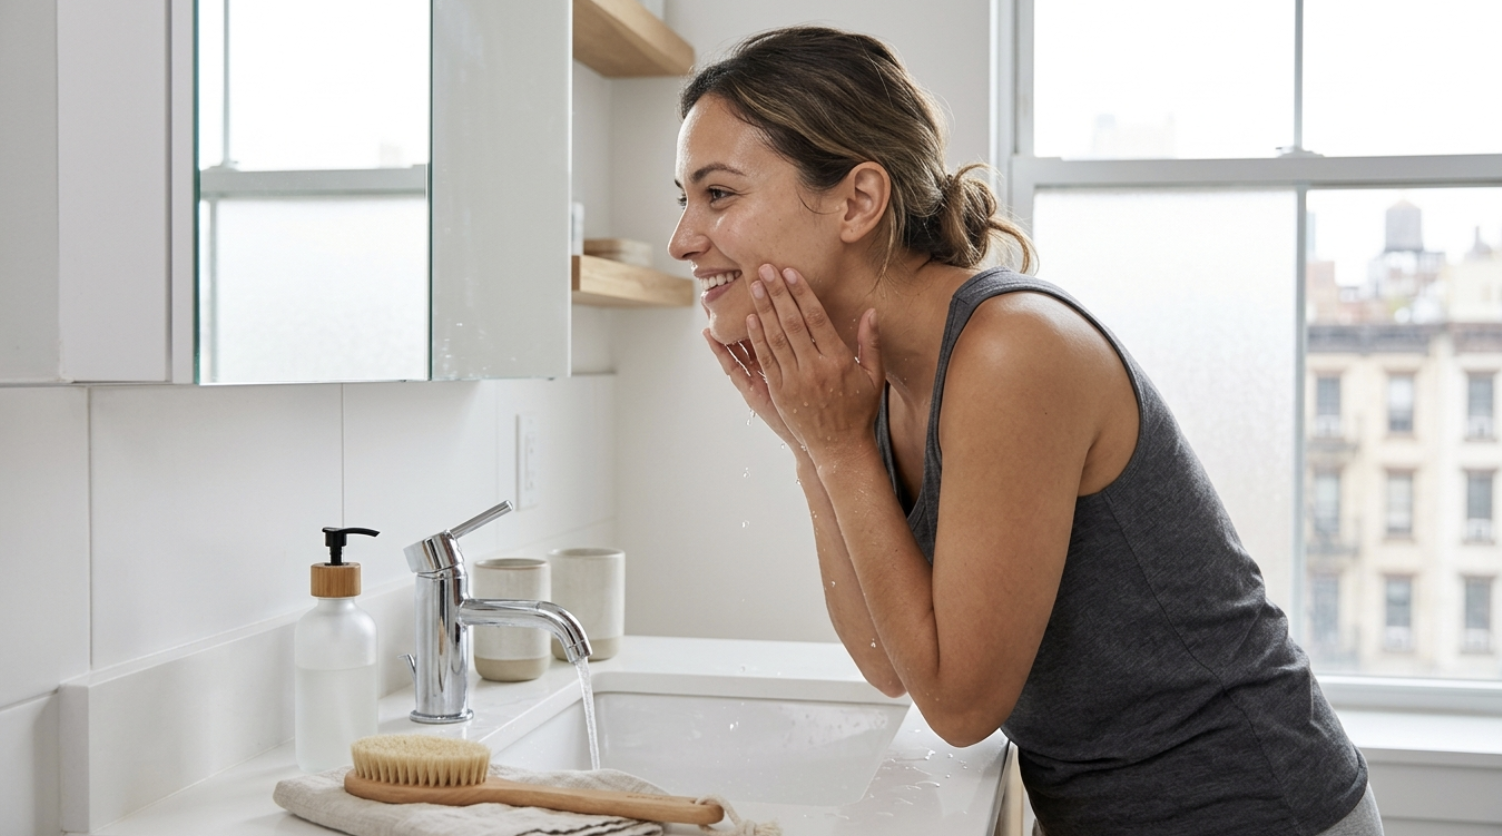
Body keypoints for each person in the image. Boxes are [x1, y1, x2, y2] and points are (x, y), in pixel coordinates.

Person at [668, 25, 1381, 836]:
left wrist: (836, 448)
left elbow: (962, 706)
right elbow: (887, 664)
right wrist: (813, 446)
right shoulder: (885, 381)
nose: (682, 239)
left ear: (859, 201)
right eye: (683, 198)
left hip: (1252, 812)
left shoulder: (1011, 353)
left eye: (718, 194)